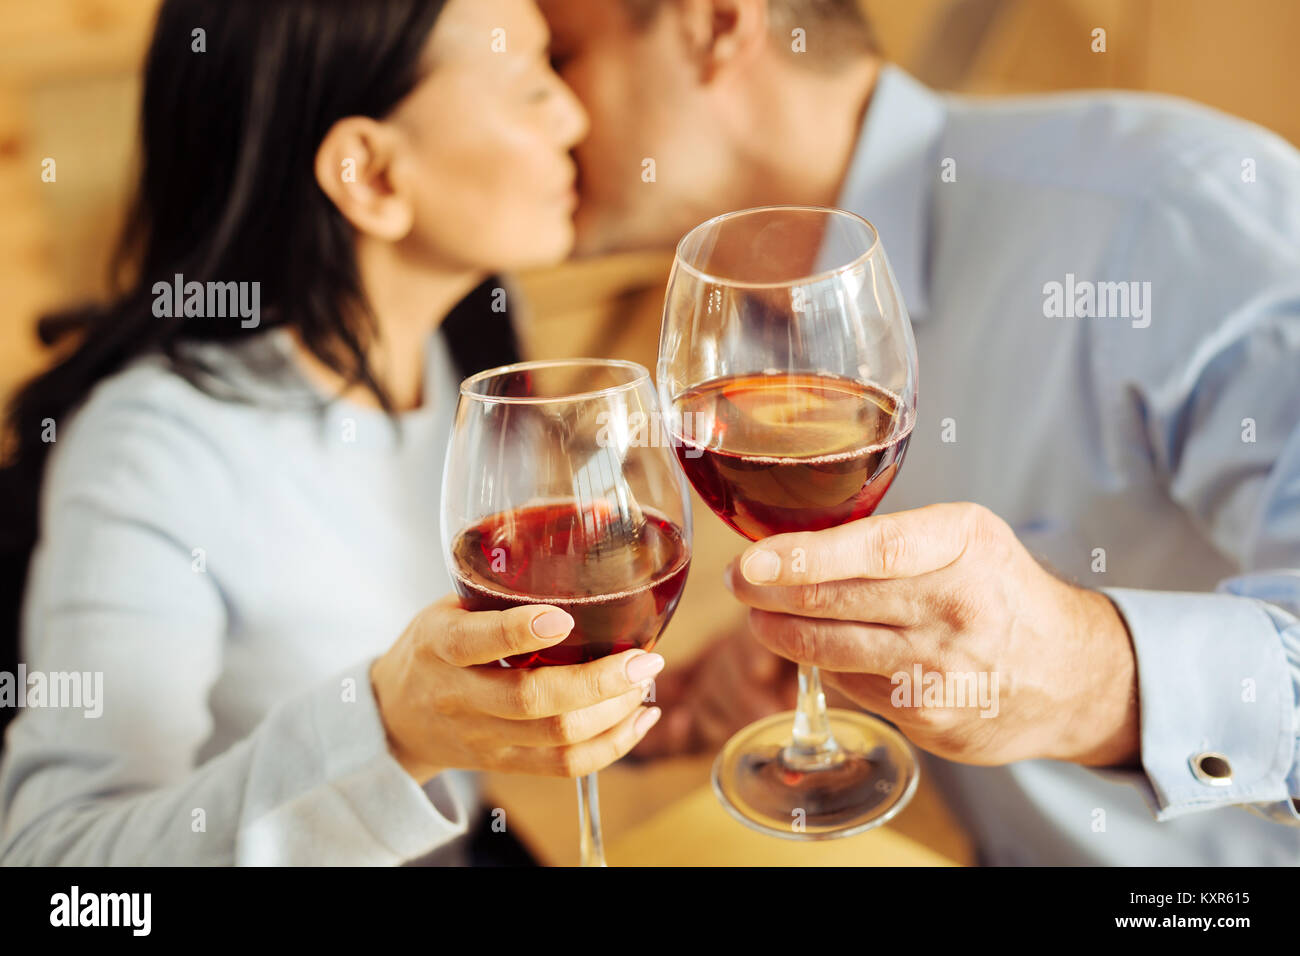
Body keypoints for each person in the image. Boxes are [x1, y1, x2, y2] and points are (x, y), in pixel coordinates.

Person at [541, 0, 1300, 864]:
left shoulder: (1173, 214)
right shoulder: (736, 314)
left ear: (715, 23)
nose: (541, 112)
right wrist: (847, 659)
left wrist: (1095, 683)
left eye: (559, 56)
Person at [0, 0, 667, 866]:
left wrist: (635, 700)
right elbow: (56, 863)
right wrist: (385, 730)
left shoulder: (469, 344)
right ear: (372, 175)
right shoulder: (150, 451)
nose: (573, 117)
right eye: (530, 85)